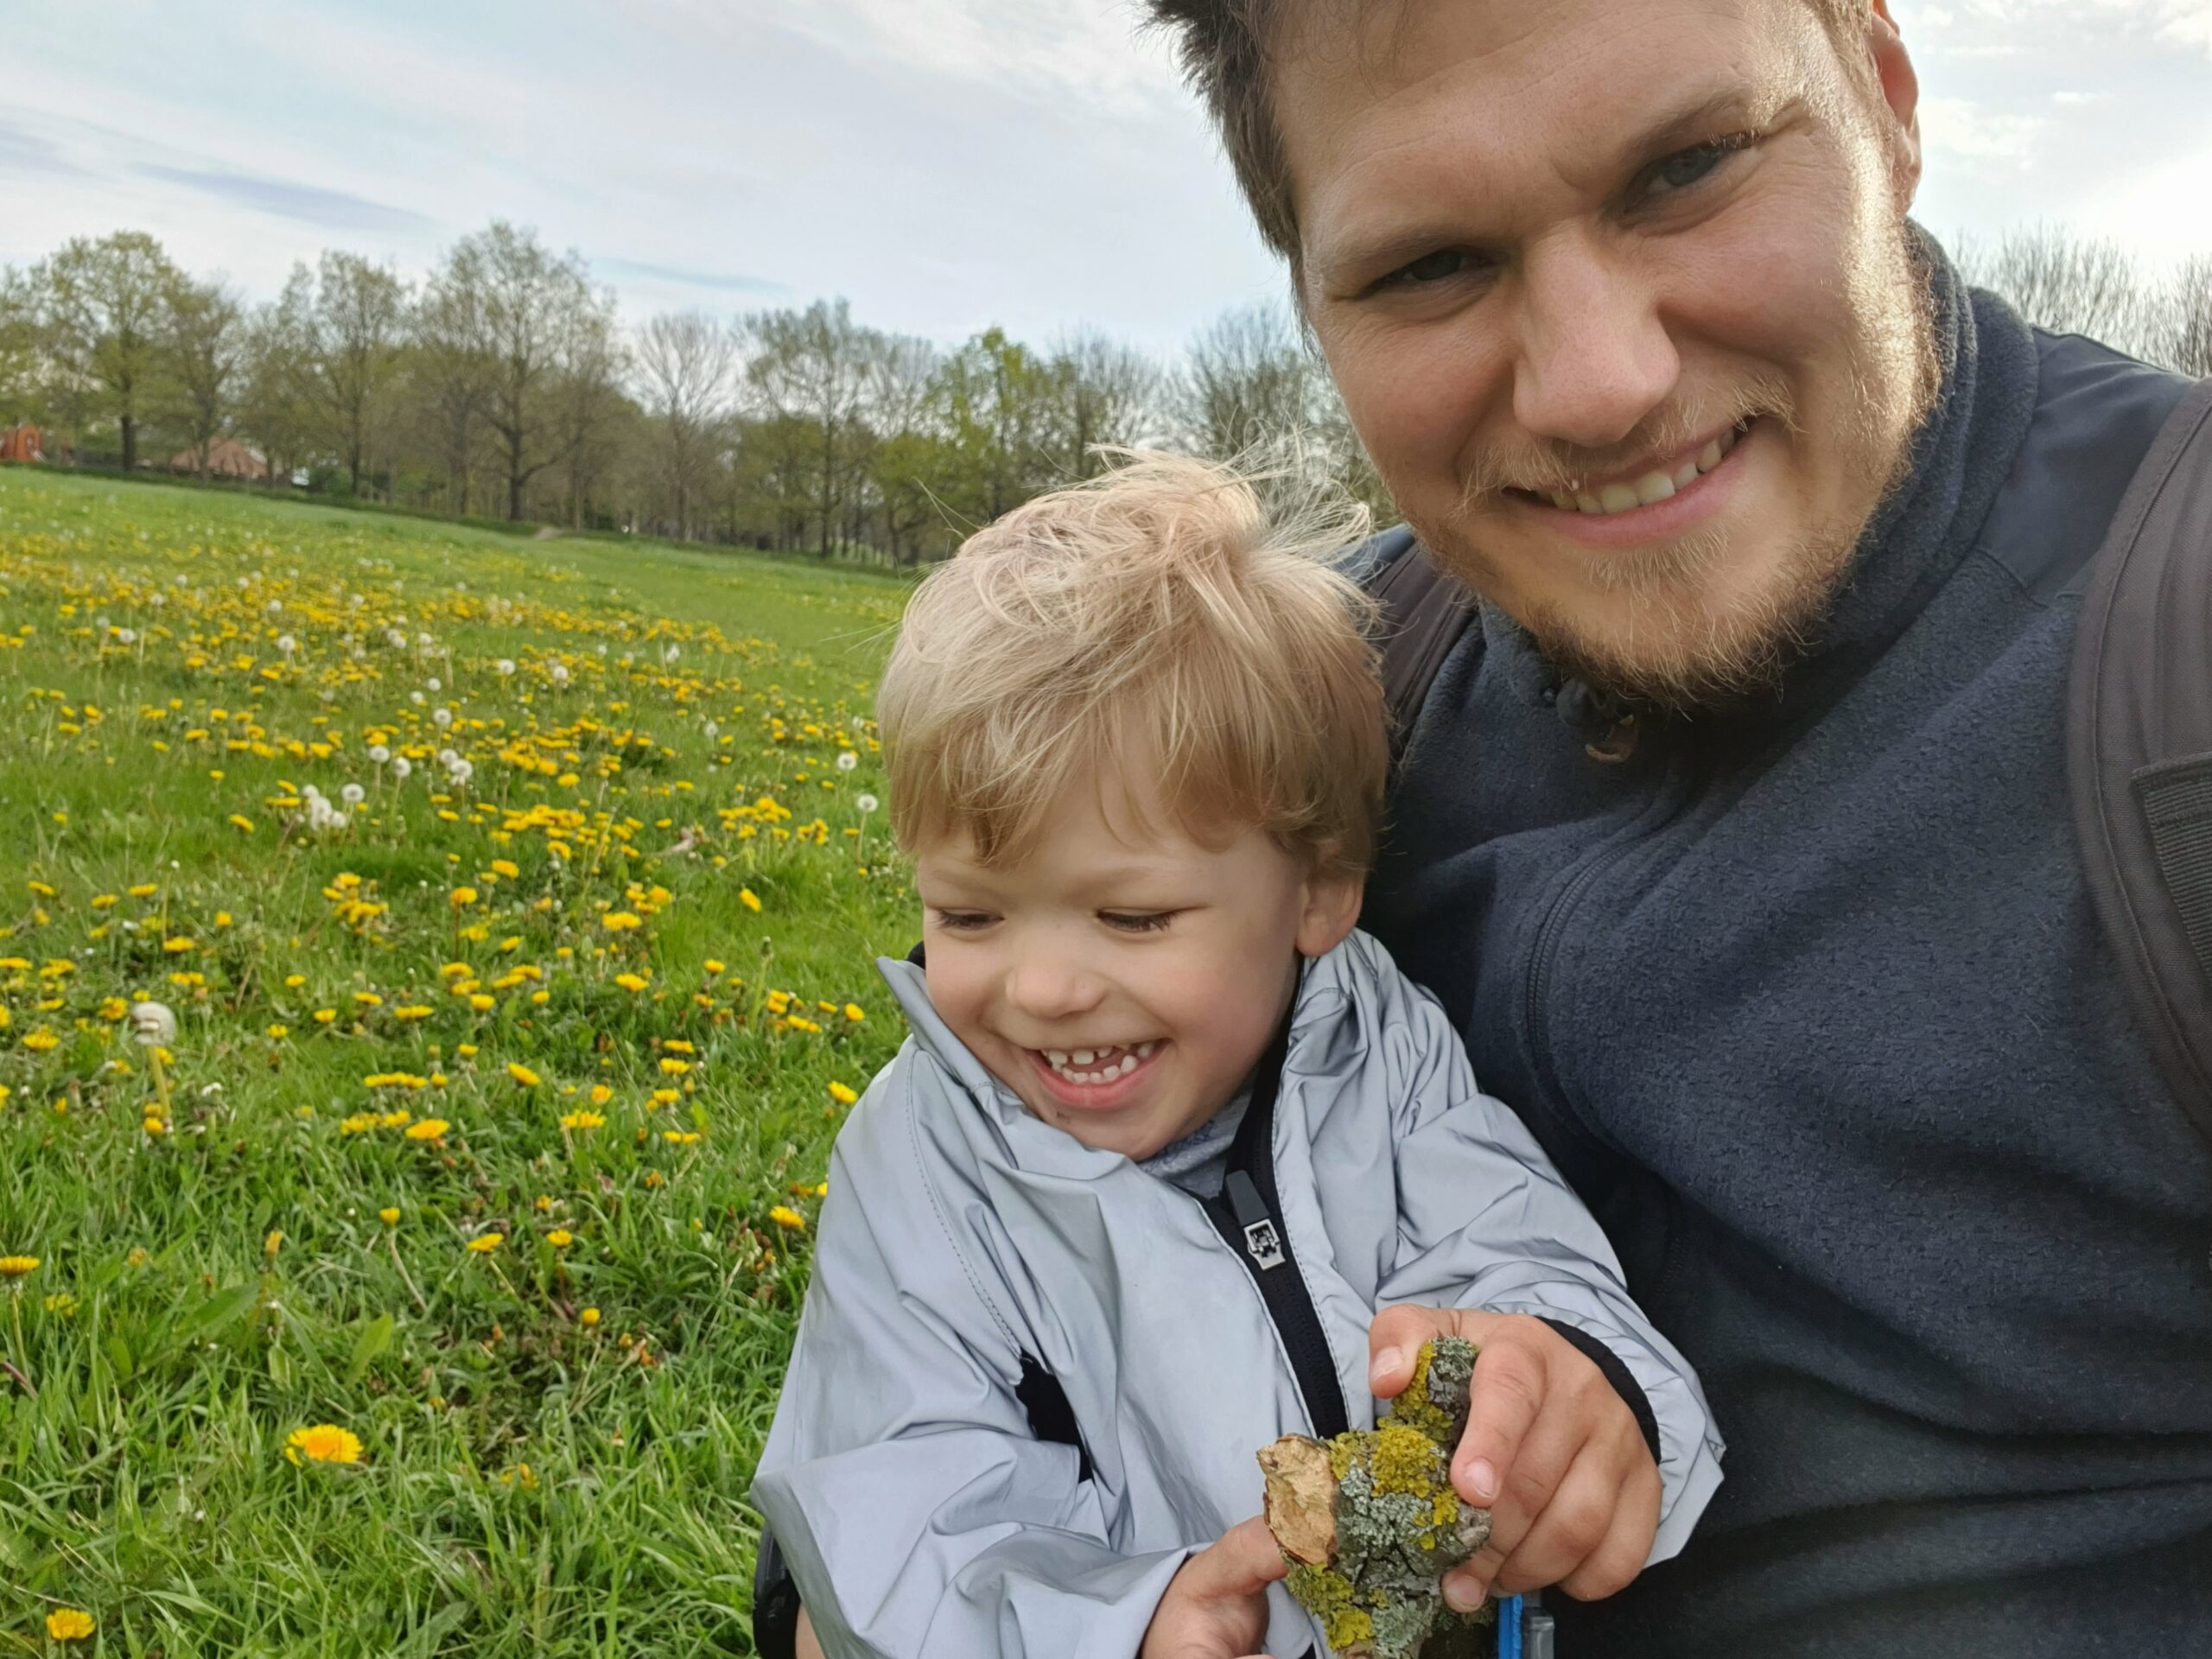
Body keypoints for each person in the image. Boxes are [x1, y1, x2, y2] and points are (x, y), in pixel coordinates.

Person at [1136, 2, 2212, 1656]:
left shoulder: (2178, 658)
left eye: (1690, 169)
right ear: (1308, 304)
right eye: (1430, 267)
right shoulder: (1320, 712)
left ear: (1890, 101)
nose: (1598, 385)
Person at [750, 453, 1724, 1658]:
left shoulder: (1385, 1052)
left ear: (1318, 895)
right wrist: (1126, 1627)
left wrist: (1568, 1377)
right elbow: (891, 1515)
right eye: (970, 916)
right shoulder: (923, 1164)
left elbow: (1515, 1243)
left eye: (1133, 918)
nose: (1043, 990)